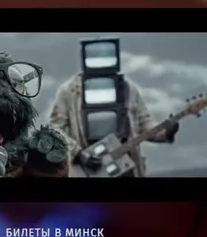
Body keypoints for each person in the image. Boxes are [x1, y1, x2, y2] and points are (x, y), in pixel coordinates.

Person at [48, 72, 177, 177]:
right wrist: (78, 153)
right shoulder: (69, 91)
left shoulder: (128, 89)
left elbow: (144, 124)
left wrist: (166, 131)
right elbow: (54, 129)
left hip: (125, 164)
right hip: (88, 168)